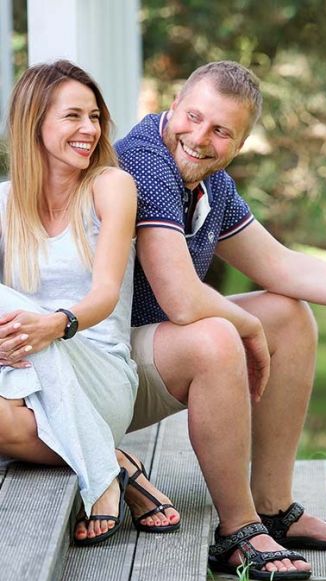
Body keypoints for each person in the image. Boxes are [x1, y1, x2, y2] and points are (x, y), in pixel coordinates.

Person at [115, 60, 326, 581]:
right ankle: (238, 529)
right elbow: (181, 301)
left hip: (141, 357)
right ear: (172, 106)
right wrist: (246, 329)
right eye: (194, 117)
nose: (200, 138)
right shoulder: (145, 161)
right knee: (216, 337)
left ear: (240, 144)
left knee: (288, 316)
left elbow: (279, 266)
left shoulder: (210, 184)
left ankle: (273, 506)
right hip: (99, 370)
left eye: (221, 130)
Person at [0, 60, 179, 546]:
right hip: (23, 378)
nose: (89, 129)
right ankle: (112, 462)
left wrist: (51, 327)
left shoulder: (110, 186)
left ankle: (101, 476)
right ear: (32, 123)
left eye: (94, 116)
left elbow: (103, 295)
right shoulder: (4, 204)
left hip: (97, 370)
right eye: (73, 116)